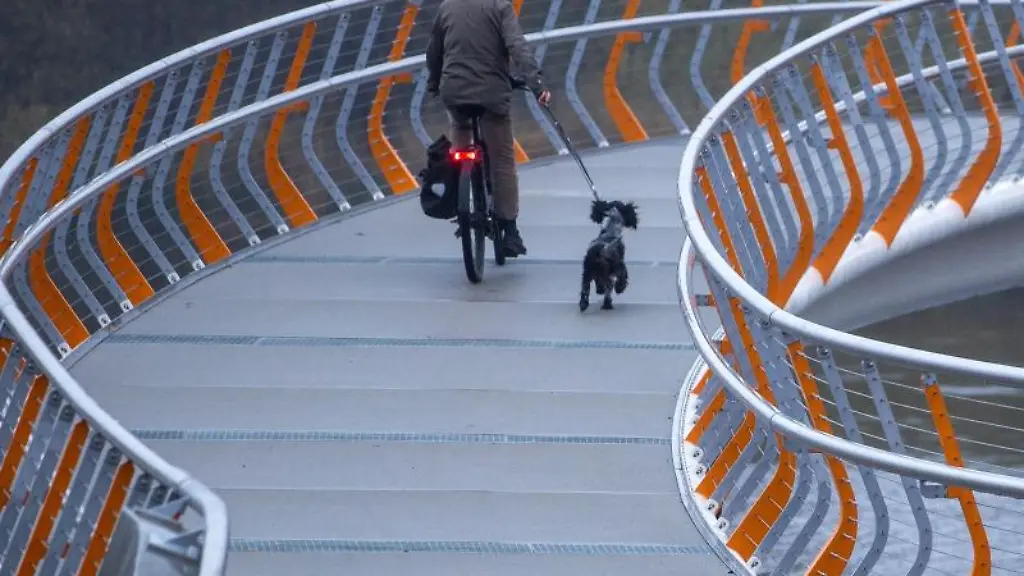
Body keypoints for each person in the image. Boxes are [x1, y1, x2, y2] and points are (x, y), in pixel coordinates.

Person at [426, 0, 551, 258]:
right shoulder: (499, 6)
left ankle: (461, 204)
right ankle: (510, 229)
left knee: (459, 128)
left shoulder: (447, 6)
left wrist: (435, 84)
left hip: (455, 91)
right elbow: (517, 47)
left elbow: (434, 52)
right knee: (501, 159)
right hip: (492, 94)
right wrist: (536, 84)